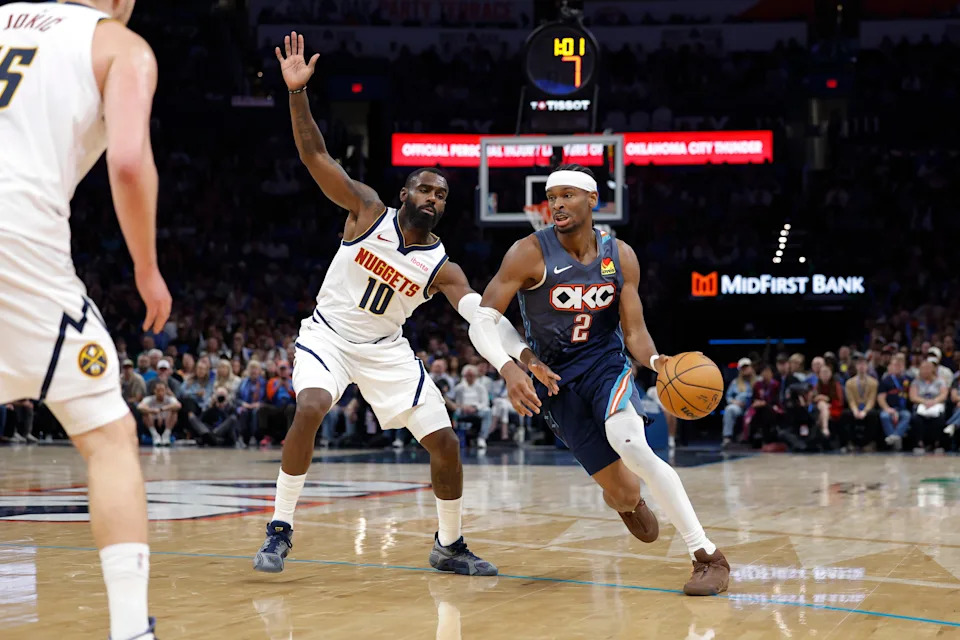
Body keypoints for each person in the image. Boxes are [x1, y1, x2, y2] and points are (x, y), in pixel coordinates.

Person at [253, 32, 557, 578]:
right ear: (404, 195)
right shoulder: (366, 211)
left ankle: (449, 544)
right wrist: (297, 93)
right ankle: (280, 528)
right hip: (328, 337)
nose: (432, 198)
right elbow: (315, 154)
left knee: (446, 443)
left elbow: (480, 318)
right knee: (311, 406)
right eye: (424, 189)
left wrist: (513, 362)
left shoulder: (443, 268)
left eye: (441, 195)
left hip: (386, 351)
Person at [468, 164, 729, 596]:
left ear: (592, 200)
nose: (557, 205)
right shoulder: (528, 252)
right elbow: (483, 321)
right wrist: (515, 364)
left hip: (605, 365)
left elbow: (634, 331)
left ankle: (707, 556)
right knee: (624, 493)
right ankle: (627, 500)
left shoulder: (619, 255)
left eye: (567, 195)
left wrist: (657, 361)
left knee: (634, 446)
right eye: (552, 197)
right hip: (554, 380)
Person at [0, 2, 170, 636]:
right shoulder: (119, 45)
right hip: (18, 238)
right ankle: (131, 629)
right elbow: (127, 160)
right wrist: (146, 268)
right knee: (108, 436)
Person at [840, 353, 881, 451]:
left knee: (874, 415)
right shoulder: (849, 383)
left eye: (864, 365)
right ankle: (851, 442)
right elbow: (851, 400)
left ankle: (867, 443)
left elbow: (871, 399)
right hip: (855, 408)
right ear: (856, 366)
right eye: (859, 364)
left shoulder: (874, 382)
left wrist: (865, 411)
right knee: (845, 415)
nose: (862, 367)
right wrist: (855, 411)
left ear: (867, 367)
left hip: (867, 408)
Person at [909, 360, 949, 453]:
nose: (925, 371)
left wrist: (934, 401)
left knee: (940, 418)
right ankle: (919, 443)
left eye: (927, 368)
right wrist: (925, 401)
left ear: (933, 369)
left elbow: (944, 395)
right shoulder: (916, 382)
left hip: (936, 405)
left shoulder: (940, 381)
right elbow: (913, 397)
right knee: (916, 418)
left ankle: (937, 443)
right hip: (921, 405)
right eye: (923, 368)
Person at [877, 353, 912, 450]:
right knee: (884, 416)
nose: (898, 367)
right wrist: (887, 409)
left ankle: (893, 437)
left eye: (900, 365)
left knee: (907, 415)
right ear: (891, 366)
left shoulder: (908, 379)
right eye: (896, 365)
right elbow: (881, 398)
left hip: (903, 409)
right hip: (889, 408)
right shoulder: (886, 381)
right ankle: (895, 438)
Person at [722, 358, 754, 448]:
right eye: (743, 368)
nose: (745, 370)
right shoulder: (735, 382)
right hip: (739, 407)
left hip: (752, 406)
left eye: (747, 367)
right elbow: (728, 397)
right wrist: (735, 402)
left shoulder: (758, 381)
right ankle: (727, 437)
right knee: (729, 409)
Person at [137, 382, 182, 447]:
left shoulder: (170, 399)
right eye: (158, 390)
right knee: (145, 413)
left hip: (166, 424)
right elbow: (139, 407)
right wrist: (152, 411)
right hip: (152, 424)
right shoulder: (149, 399)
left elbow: (178, 405)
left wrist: (162, 409)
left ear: (166, 391)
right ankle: (155, 436)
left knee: (174, 412)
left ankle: (166, 435)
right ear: (154, 391)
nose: (160, 393)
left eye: (162, 390)